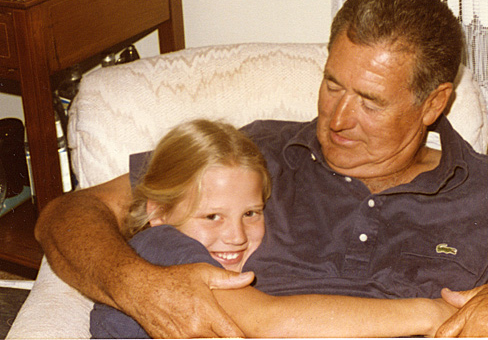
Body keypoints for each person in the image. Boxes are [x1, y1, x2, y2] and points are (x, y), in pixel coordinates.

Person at [36, 0, 488, 338]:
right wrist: (136, 285)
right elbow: (70, 213)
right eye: (332, 85)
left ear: (434, 103)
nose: (337, 118)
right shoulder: (253, 153)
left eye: (371, 102)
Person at [90, 119, 456, 338]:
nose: (236, 236)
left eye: (251, 213)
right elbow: (267, 322)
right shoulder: (159, 246)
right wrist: (432, 313)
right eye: (212, 217)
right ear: (158, 211)